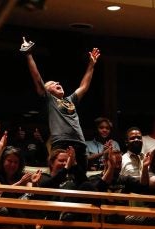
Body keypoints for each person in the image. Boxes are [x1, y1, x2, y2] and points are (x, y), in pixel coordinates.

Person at [20, 37, 100, 172]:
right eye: (53, 84)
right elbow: (38, 80)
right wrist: (28, 55)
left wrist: (91, 64)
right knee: (60, 176)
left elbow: (84, 86)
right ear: (47, 90)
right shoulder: (49, 99)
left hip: (79, 143)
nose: (58, 83)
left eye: (58, 82)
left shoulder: (70, 100)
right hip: (61, 142)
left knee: (80, 178)